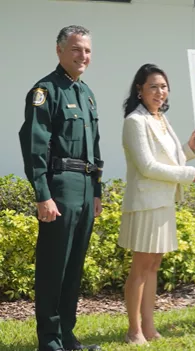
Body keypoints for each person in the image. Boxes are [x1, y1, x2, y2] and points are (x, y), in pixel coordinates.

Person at [18, 25, 103, 351]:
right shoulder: (46, 91)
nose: (83, 56)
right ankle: (50, 341)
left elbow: (94, 147)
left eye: (88, 51)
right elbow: (34, 146)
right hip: (60, 188)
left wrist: (96, 190)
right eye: (77, 49)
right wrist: (43, 195)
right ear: (60, 51)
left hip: (83, 187)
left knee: (73, 268)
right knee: (54, 266)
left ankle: (67, 336)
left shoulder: (87, 95)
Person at [118, 63, 195, 345]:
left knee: (153, 265)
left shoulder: (160, 119)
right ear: (139, 90)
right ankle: (134, 331)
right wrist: (188, 175)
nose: (160, 92)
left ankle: (149, 327)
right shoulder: (135, 121)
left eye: (164, 86)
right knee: (140, 267)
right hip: (145, 204)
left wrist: (189, 150)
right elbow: (147, 166)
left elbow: (169, 159)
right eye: (153, 86)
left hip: (164, 201)